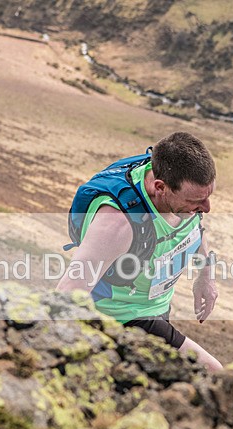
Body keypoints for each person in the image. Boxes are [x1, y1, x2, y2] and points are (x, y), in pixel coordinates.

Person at [56, 132, 222, 371]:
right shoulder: (117, 225)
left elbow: (194, 228)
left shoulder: (180, 197)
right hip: (123, 320)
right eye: (197, 200)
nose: (207, 208)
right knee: (214, 374)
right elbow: (67, 294)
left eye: (208, 196)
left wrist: (206, 275)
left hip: (157, 310)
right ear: (160, 187)